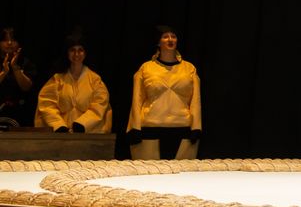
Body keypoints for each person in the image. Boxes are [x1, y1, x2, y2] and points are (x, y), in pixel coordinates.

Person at [126, 26, 202, 160]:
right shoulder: (146, 68)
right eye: (165, 36)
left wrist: (196, 127)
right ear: (158, 42)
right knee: (149, 175)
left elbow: (195, 101)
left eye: (173, 36)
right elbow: (137, 99)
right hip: (150, 129)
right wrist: (134, 127)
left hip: (183, 128)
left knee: (181, 176)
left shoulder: (189, 68)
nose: (170, 39)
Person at [35, 31, 113, 133]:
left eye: (80, 50)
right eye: (72, 50)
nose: (76, 54)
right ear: (67, 53)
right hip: (61, 136)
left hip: (88, 135)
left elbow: (100, 105)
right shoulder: (57, 79)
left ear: (85, 53)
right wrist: (59, 126)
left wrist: (81, 125)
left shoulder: (95, 80)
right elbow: (46, 104)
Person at [0, 26, 37, 127]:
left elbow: (26, 87)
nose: (9, 43)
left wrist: (15, 67)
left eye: (13, 39)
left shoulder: (26, 62)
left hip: (21, 113)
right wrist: (4, 72)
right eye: (5, 40)